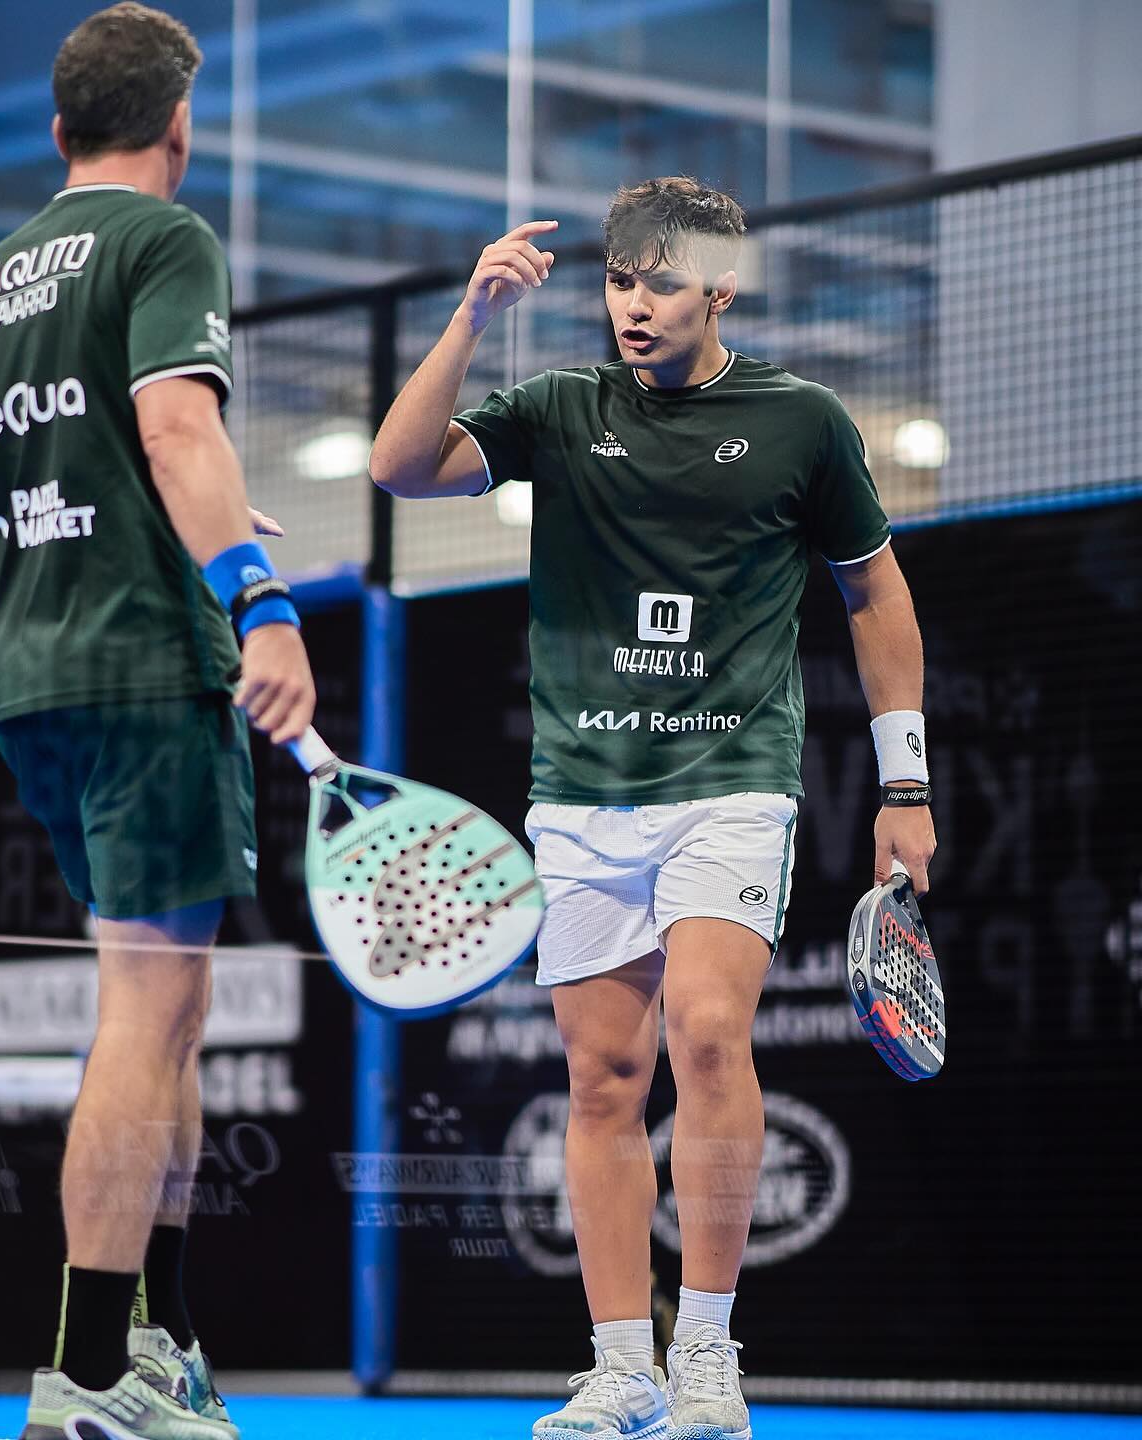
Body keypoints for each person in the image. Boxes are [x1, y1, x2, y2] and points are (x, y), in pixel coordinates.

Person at [370, 177, 935, 1440]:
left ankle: (706, 1359)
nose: (633, 304)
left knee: (709, 1033)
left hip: (730, 783)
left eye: (660, 283)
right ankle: (620, 1367)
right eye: (619, 280)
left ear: (720, 288)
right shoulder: (562, 407)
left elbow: (875, 594)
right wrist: (469, 314)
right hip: (583, 791)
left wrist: (905, 781)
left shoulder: (803, 421)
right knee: (603, 1074)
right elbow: (400, 467)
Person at [0, 7, 315, 1438]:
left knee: (173, 1012)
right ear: (179, 127)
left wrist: (190, 531)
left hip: (32, 668)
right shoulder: (169, 238)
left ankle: (154, 1346)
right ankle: (91, 1374)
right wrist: (262, 595)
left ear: (59, 131)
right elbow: (175, 427)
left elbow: (86, 448)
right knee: (144, 1015)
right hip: (144, 672)